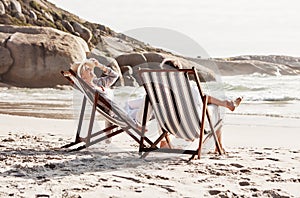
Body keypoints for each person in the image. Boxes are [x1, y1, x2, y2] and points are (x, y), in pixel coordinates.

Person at [125, 58, 242, 152]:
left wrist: (141, 124)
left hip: (170, 127)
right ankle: (219, 146)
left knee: (161, 108)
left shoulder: (157, 90)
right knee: (215, 107)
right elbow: (199, 103)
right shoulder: (188, 87)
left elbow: (147, 102)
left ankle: (164, 143)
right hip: (194, 129)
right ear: (180, 71)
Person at [72, 58, 119, 143]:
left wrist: (100, 66)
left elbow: (115, 75)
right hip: (114, 111)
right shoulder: (90, 88)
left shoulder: (98, 82)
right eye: (87, 69)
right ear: (82, 76)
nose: (91, 69)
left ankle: (108, 137)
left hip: (112, 110)